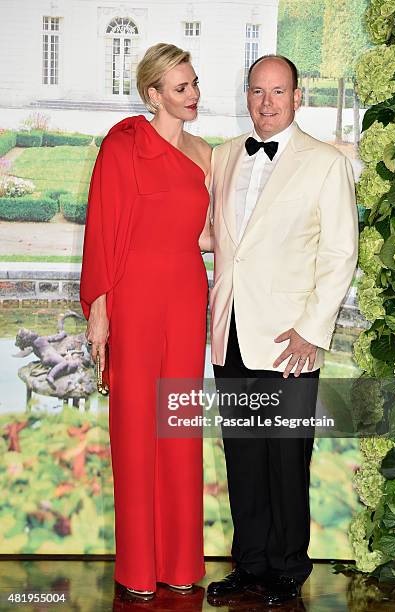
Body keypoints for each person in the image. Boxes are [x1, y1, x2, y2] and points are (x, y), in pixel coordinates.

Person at [207, 55, 358, 606]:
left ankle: (288, 568)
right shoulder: (225, 157)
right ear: (246, 97)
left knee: (286, 455)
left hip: (291, 340)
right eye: (257, 92)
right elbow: (214, 239)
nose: (266, 102)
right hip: (232, 332)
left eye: (278, 92)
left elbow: (341, 253)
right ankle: (248, 566)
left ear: (298, 97)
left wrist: (312, 331)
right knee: (242, 455)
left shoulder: (324, 163)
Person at [79, 43, 213, 598]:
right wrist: (101, 314)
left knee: (177, 426)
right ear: (153, 94)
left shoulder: (206, 153)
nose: (193, 96)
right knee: (136, 427)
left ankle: (181, 562)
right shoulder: (123, 144)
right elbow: (103, 231)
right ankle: (137, 567)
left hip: (185, 294)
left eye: (194, 84)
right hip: (133, 297)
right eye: (180, 88)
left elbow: (205, 237)